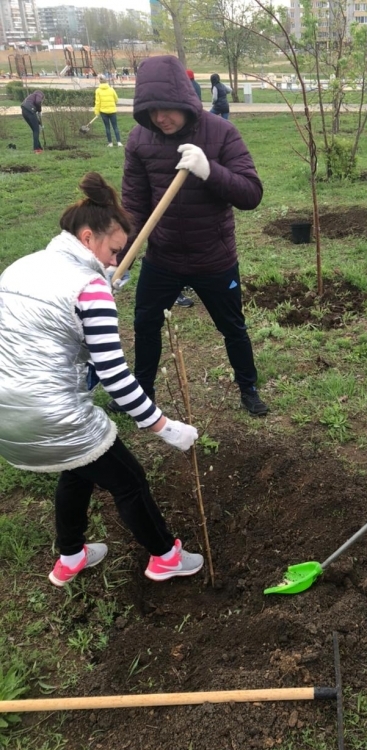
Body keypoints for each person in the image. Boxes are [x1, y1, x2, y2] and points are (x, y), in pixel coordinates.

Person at [0, 172, 204, 588]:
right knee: (129, 481)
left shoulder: (22, 267)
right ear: (88, 237)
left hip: (7, 415)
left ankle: (70, 556)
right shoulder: (90, 287)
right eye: (113, 251)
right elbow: (114, 375)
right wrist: (164, 427)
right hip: (50, 414)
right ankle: (165, 556)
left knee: (77, 466)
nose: (115, 262)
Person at [118, 55, 268, 416]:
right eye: (151, 110)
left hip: (213, 257)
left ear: (183, 99)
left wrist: (209, 170)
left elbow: (251, 194)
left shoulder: (221, 132)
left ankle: (248, 388)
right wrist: (120, 258)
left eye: (166, 108)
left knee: (232, 327)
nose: (159, 118)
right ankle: (143, 393)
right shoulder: (140, 139)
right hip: (163, 257)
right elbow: (134, 205)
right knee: (145, 324)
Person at [94, 76, 122, 147]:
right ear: (106, 81)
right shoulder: (111, 89)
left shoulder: (98, 91)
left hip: (103, 112)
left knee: (107, 127)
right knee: (115, 126)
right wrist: (113, 104)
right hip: (112, 111)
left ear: (100, 82)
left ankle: (110, 143)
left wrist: (97, 112)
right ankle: (119, 142)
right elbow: (116, 99)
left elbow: (97, 102)